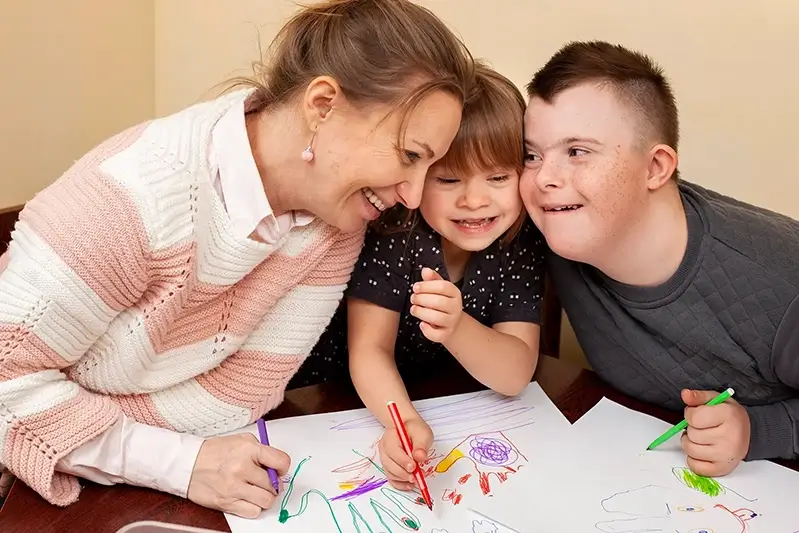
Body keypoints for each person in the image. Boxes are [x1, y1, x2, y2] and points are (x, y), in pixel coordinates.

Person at [0, 0, 475, 517]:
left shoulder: (335, 223)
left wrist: (143, 445)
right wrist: (179, 462)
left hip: (124, 470)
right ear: (322, 105)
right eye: (409, 155)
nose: (413, 195)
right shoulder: (130, 199)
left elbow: (242, 392)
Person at [521, 40, 799, 478]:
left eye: (577, 151)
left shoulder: (781, 284)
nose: (544, 179)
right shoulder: (557, 229)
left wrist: (759, 430)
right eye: (532, 155)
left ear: (655, 168)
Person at [323, 64, 545, 490]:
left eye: (498, 177)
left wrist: (456, 326)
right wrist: (404, 423)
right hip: (348, 399)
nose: (475, 200)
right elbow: (369, 350)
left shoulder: (519, 240)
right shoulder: (396, 230)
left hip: (458, 399)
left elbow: (515, 373)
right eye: (448, 179)